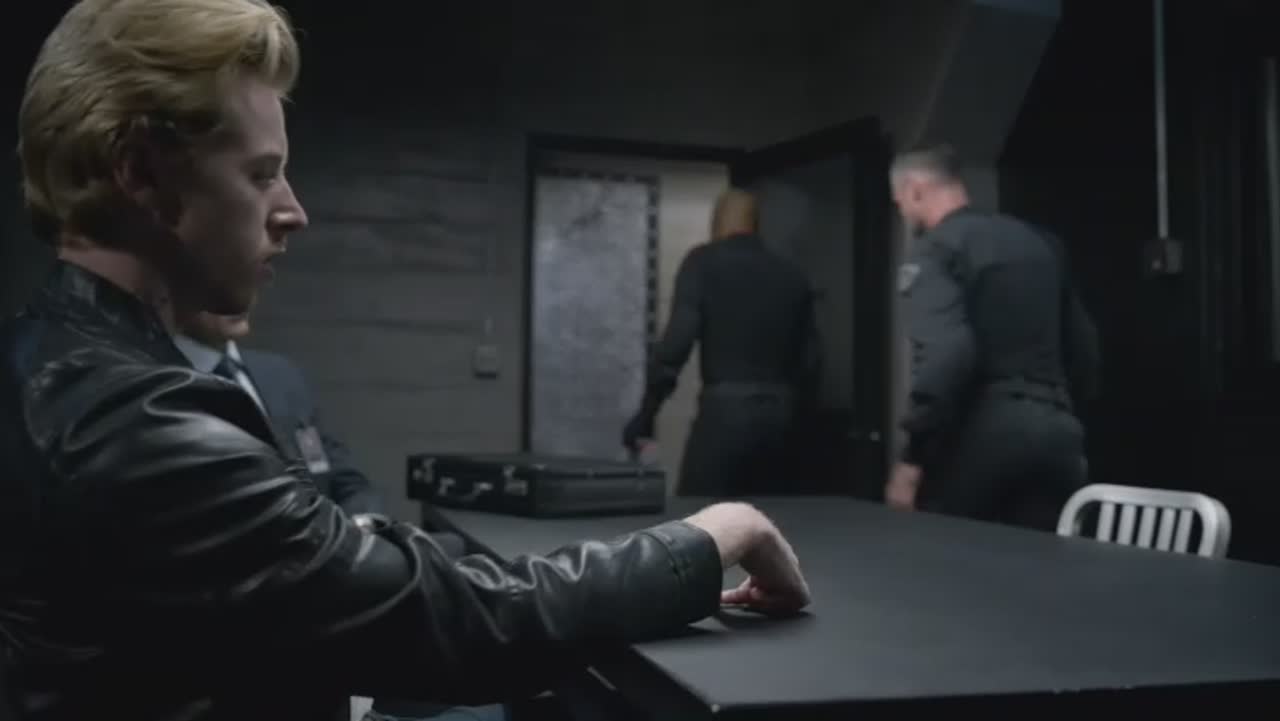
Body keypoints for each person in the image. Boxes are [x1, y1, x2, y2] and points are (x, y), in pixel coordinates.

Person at [0, 2, 811, 720]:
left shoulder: (51, 356)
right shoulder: (131, 423)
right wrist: (707, 538)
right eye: (261, 174)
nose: (294, 210)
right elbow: (452, 623)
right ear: (141, 171)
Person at [886, 143, 1099, 531]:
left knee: (945, 559)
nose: (903, 213)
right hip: (1058, 432)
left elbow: (947, 355)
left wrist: (911, 458)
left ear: (915, 190)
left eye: (900, 202)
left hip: (981, 434)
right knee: (1042, 562)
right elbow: (1084, 349)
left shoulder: (937, 249)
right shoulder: (1040, 241)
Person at [622, 188, 821, 496]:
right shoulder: (792, 273)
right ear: (756, 223)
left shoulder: (703, 263)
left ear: (717, 221)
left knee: (698, 515)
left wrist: (647, 413)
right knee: (772, 515)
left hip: (724, 414)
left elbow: (676, 345)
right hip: (781, 419)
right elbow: (812, 360)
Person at [171, 310, 385, 520]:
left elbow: (343, 475)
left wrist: (364, 522)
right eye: (220, 289)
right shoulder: (164, 386)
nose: (240, 301)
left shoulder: (281, 374)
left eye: (249, 287)